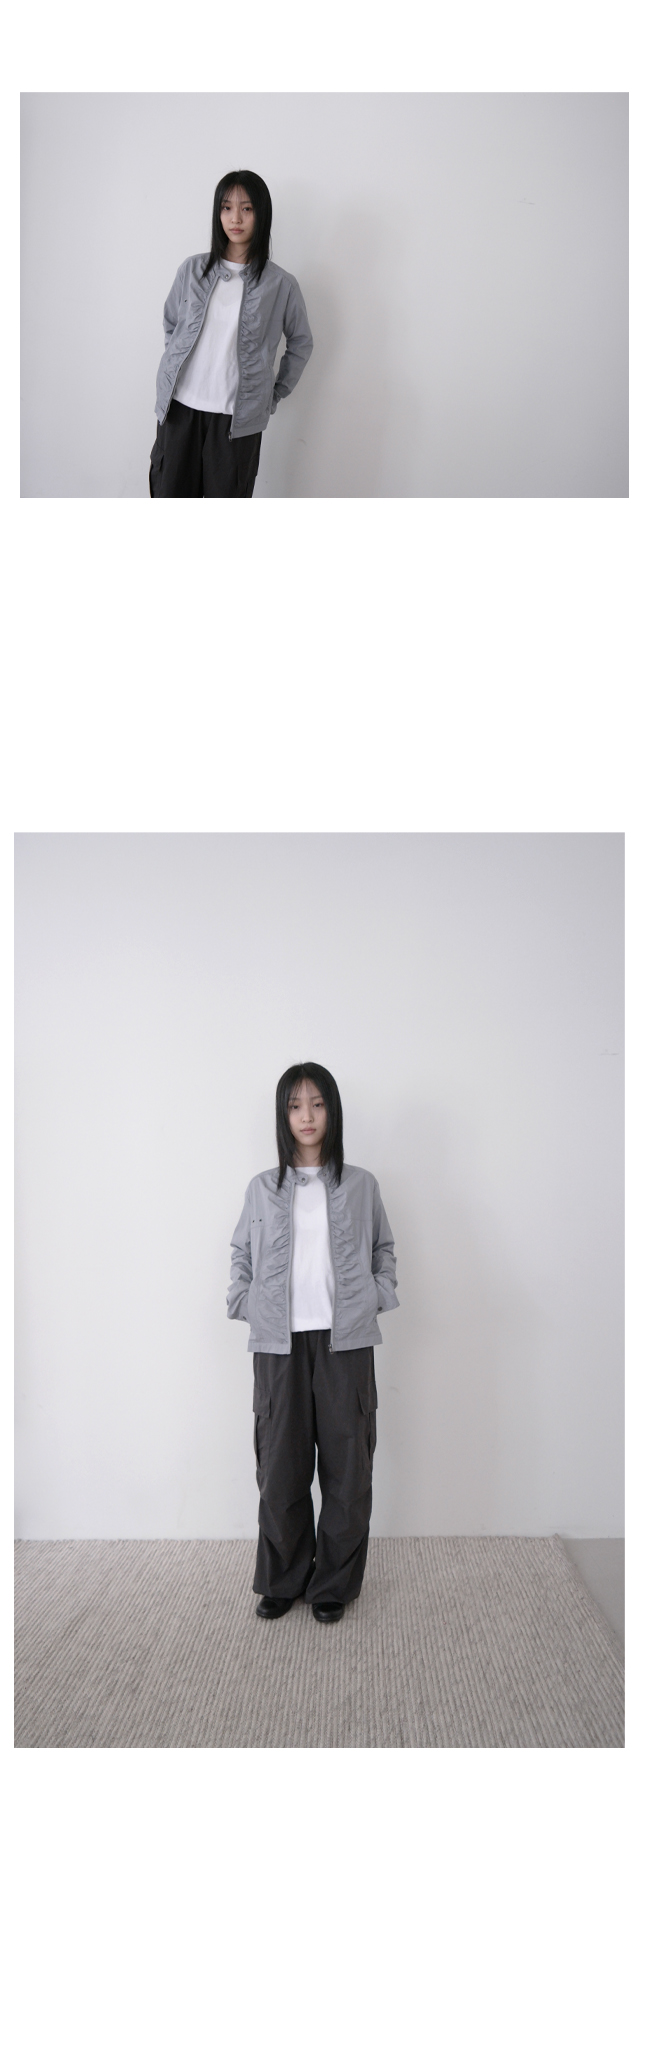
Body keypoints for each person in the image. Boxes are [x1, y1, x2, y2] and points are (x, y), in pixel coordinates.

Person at [226, 1064, 399, 1623]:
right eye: (295, 1105)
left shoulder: (361, 1184)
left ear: (332, 1111)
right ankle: (283, 1578)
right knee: (280, 1468)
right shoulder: (261, 1187)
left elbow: (384, 1251)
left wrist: (376, 1295)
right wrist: (246, 1301)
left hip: (345, 1342)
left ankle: (332, 1585)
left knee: (349, 1469)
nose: (307, 1116)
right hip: (278, 1345)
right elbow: (240, 1256)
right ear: (283, 1115)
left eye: (318, 1104)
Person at [150, 169, 313, 497]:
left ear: (261, 214)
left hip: (235, 421)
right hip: (179, 411)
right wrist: (175, 365)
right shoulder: (192, 269)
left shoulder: (280, 284)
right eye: (226, 207)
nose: (235, 218)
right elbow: (172, 324)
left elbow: (301, 343)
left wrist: (273, 394)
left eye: (246, 208)